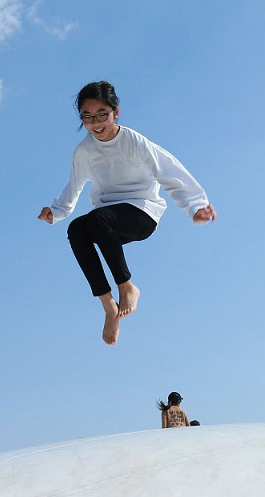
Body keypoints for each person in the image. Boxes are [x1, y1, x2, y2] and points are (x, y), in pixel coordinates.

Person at [38, 81, 216, 345]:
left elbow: (170, 171)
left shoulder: (135, 142)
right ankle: (108, 304)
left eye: (102, 115)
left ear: (116, 112)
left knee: (99, 219)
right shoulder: (84, 151)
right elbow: (73, 187)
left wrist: (195, 205)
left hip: (142, 214)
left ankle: (127, 287)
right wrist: (56, 211)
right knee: (76, 229)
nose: (96, 123)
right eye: (87, 118)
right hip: (107, 222)